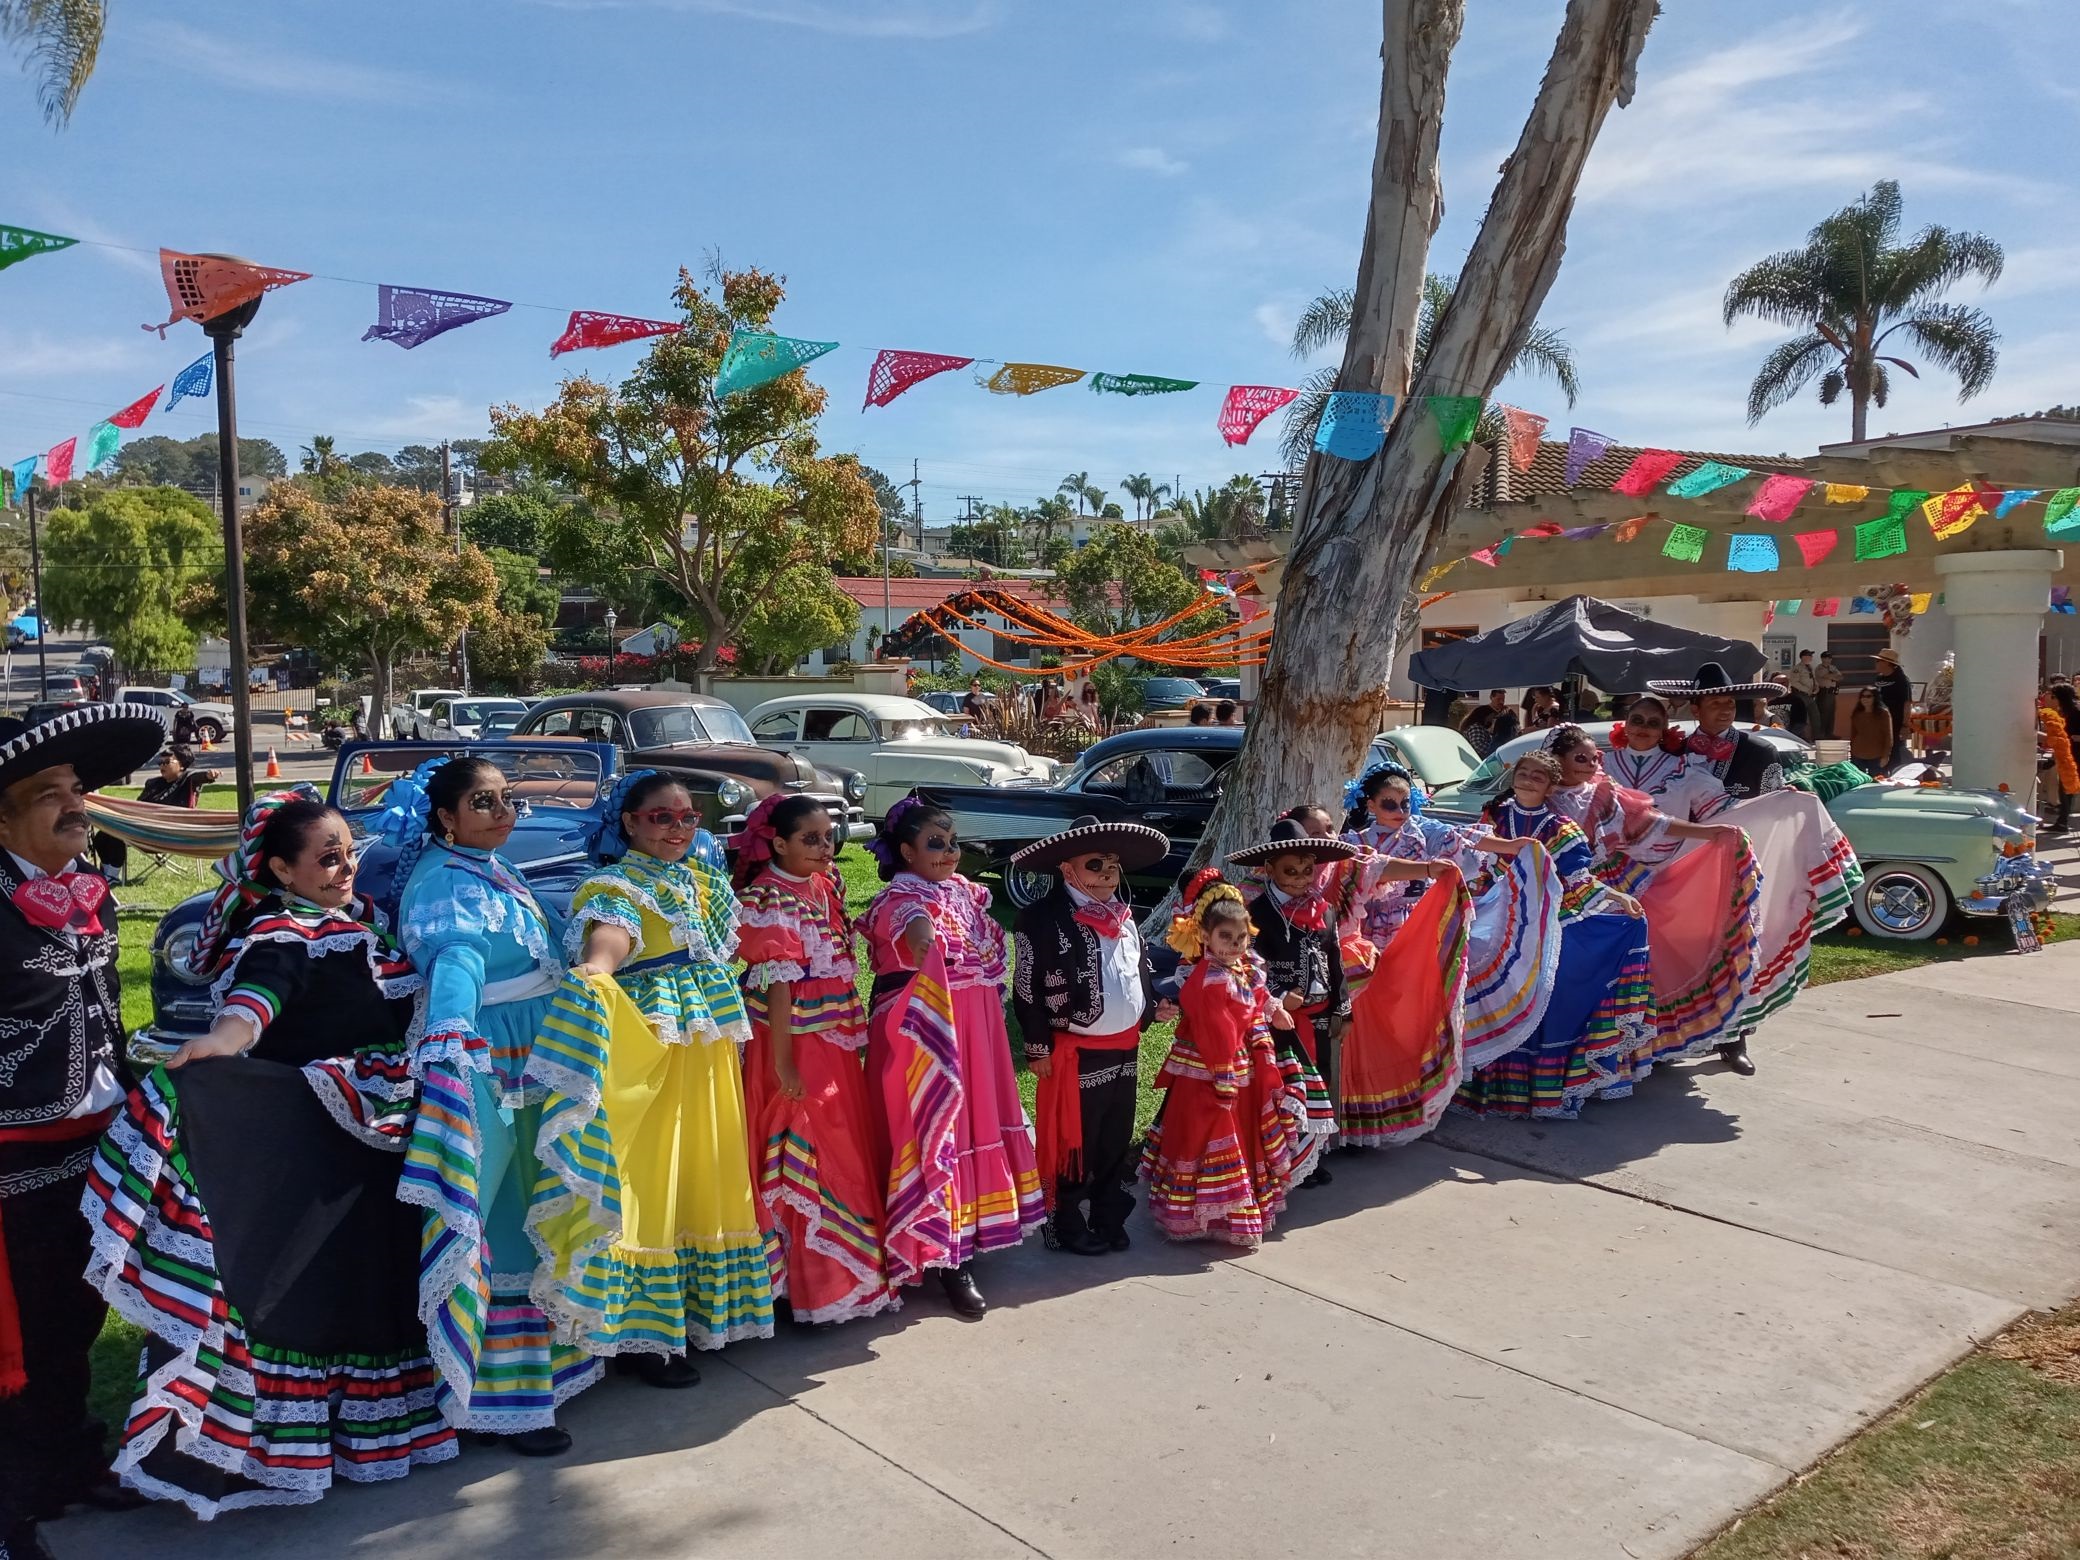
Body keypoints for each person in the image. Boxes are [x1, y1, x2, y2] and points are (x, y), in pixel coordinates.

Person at [83, 790, 454, 1516]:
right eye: (327, 857)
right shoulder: (284, 932)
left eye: (350, 852)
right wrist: (223, 1042)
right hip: (309, 1147)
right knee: (300, 1292)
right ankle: (256, 1448)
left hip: (367, 1152)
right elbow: (259, 997)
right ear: (281, 870)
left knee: (364, 1287)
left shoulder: (356, 921)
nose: (346, 867)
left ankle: (354, 1439)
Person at [387, 757, 600, 1456]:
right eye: (485, 802)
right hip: (487, 1057)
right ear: (446, 816)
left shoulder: (486, 865)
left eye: (510, 799)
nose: (504, 812)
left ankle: (541, 1373)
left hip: (529, 1050)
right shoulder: (447, 882)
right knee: (496, 1214)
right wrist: (451, 1032)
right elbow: (457, 960)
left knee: (533, 1202)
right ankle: (495, 1399)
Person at [533, 771, 776, 1383]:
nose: (677, 828)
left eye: (688, 817)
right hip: (653, 1046)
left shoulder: (701, 882)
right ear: (629, 823)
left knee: (706, 1169)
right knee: (651, 1174)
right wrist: (595, 967)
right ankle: (643, 1336)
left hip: (709, 1050)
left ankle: (699, 1314)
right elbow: (611, 938)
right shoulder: (612, 885)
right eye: (661, 818)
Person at [0, 703, 164, 1559]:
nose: (75, 806)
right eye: (46, 793)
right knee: (11, 1343)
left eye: (77, 789)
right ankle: (9, 1508)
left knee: (75, 1319)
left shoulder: (80, 892)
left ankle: (68, 1465)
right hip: (10, 1160)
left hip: (96, 1144)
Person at [861, 799, 1044, 1318]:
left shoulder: (964, 893)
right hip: (928, 1032)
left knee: (971, 1124)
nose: (947, 853)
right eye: (934, 844)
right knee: (936, 1127)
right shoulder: (902, 899)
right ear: (905, 852)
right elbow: (919, 937)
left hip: (976, 1030)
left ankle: (970, 1232)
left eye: (952, 843)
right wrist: (926, 949)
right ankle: (942, 1255)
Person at [1641, 668, 1862, 1076]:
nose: (1724, 710)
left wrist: (1788, 801)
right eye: (1714, 703)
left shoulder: (1760, 752)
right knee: (1682, 949)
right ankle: (1675, 1035)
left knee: (1738, 945)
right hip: (1683, 868)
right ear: (1696, 708)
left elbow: (1771, 806)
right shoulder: (1673, 752)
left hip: (1742, 864)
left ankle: (1734, 1037)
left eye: (1729, 703)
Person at [735, 794, 897, 1325]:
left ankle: (839, 1276)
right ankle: (801, 1282)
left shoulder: (825, 886)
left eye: (829, 836)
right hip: (793, 1042)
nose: (824, 847)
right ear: (777, 843)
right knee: (805, 1147)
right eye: (810, 838)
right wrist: (784, 1064)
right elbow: (779, 987)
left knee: (842, 1147)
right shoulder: (768, 898)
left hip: (832, 1040)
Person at [1338, 761, 1559, 1122]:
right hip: (1369, 939)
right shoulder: (1354, 843)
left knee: (1418, 1012)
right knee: (1373, 1015)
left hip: (1418, 930)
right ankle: (1371, 1091)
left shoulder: (1424, 833)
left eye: (1405, 802)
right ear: (1370, 805)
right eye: (1389, 804)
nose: (1399, 811)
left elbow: (1469, 839)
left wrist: (1511, 845)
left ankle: (1417, 1090)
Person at [1544, 724, 1757, 1085]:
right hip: (1552, 890)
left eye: (1594, 757)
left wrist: (1709, 832)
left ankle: (1612, 1057)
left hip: (1609, 888)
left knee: (1618, 974)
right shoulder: (1540, 794)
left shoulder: (1604, 794)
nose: (1589, 764)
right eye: (1580, 758)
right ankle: (1556, 1056)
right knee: (1561, 973)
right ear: (1557, 759)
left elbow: (1653, 823)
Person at [1453, 749, 1653, 1119]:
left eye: (1538, 776)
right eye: (1524, 772)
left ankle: (1540, 1088)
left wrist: (1617, 898)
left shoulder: (1560, 827)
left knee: (1545, 984)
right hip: (1493, 910)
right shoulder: (1494, 814)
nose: (1529, 779)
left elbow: (1578, 880)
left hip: (1545, 915)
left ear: (1549, 787)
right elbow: (1477, 867)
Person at [1008, 817, 1173, 1256]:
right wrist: (1037, 1047)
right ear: (1067, 870)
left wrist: (1153, 1006)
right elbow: (1026, 986)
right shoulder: (1040, 919)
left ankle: (1107, 1214)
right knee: (1073, 1145)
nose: (1106, 874)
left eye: (1113, 867)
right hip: (1073, 1051)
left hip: (1124, 1048)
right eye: (1095, 864)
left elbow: (1136, 972)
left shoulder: (1125, 916)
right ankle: (1062, 1222)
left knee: (1114, 1139)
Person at [1142, 870, 1293, 1247]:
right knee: (1205, 1135)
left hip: (1233, 1065)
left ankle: (1216, 1214)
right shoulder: (1209, 979)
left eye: (1241, 937)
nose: (1235, 945)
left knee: (1229, 1137)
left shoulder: (1238, 969)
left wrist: (1273, 1010)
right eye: (1226, 937)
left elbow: (1255, 997)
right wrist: (1226, 1078)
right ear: (1205, 936)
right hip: (1212, 1073)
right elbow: (1217, 1034)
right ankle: (1203, 1216)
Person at [1226, 818, 1355, 1187]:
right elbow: (1249, 965)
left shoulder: (1323, 909)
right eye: (1290, 871)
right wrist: (1281, 995)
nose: (1300, 878)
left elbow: (1335, 959)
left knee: (1321, 1085)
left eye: (1306, 870)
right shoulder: (1256, 915)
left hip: (1319, 1016)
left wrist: (1343, 1007)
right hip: (1282, 1021)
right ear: (1268, 869)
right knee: (1289, 1089)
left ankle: (1313, 1156)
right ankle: (1286, 1158)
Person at [94, 746, 219, 883]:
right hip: (144, 829)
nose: (162, 766)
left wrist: (209, 775)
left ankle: (111, 876)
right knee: (103, 834)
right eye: (160, 763)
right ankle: (107, 873)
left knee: (116, 834)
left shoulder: (188, 780)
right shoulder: (153, 784)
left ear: (182, 765)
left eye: (167, 762)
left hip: (169, 834)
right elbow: (138, 806)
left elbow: (199, 776)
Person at [1871, 648, 1914, 772]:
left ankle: (1895, 773)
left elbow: (1907, 703)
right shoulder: (1878, 679)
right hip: (1878, 721)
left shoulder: (1901, 680)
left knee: (1894, 751)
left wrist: (1905, 725)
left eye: (1879, 661)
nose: (1876, 664)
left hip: (1895, 722)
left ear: (1888, 663)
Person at [1849, 686, 1893, 775]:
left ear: (1875, 698)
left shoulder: (1883, 713)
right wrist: (1852, 751)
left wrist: (1885, 756)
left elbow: (1888, 736)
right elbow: (1853, 733)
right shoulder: (1857, 713)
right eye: (1862, 696)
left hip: (1877, 755)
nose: (1865, 699)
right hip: (1858, 754)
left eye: (1868, 696)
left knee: (1877, 783)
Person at [1785, 652, 1818, 740]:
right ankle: (1803, 737)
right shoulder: (1797, 668)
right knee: (1804, 717)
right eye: (1809, 656)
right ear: (1803, 657)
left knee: (1815, 716)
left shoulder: (1810, 667)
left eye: (1811, 656)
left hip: (1810, 695)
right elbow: (1795, 682)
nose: (1811, 657)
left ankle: (1817, 737)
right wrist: (1807, 690)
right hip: (1801, 694)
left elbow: (1813, 679)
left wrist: (1816, 688)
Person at [1814, 652, 1843, 739]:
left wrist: (1832, 676)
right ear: (1822, 659)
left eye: (1829, 658)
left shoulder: (1833, 667)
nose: (1827, 660)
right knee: (1823, 713)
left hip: (1832, 692)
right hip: (1823, 692)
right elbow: (1826, 676)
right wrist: (1833, 676)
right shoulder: (1819, 668)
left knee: (1831, 713)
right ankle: (1821, 734)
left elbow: (1840, 677)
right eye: (1825, 658)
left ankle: (1829, 733)